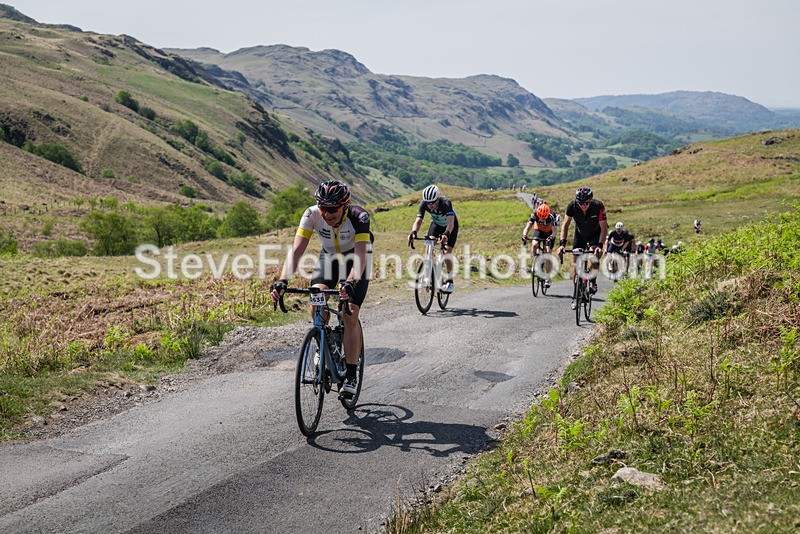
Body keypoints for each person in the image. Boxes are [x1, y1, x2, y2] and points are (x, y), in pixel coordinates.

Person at [270, 180, 371, 397]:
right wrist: (283, 280)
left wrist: (350, 282)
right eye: (323, 208)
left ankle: (351, 373)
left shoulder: (359, 217)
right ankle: (321, 342)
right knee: (317, 293)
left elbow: (361, 257)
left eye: (332, 209)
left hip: (356, 260)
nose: (327, 214)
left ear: (344, 205)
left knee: (349, 312)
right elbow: (296, 250)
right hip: (329, 258)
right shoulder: (311, 214)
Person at [556, 186, 608, 309]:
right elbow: (565, 225)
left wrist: (600, 246)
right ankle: (576, 295)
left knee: (594, 257)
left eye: (585, 203)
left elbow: (604, 228)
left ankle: (593, 280)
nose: (583, 205)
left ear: (591, 200)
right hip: (580, 235)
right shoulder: (572, 206)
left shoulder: (598, 206)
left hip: (595, 234)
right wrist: (562, 244)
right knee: (576, 264)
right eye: (580, 203)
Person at [407, 185, 458, 293]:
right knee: (428, 246)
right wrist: (413, 232)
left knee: (446, 252)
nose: (430, 205)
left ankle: (450, 280)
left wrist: (446, 235)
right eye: (427, 203)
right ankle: (427, 275)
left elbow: (450, 223)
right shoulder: (424, 204)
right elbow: (418, 220)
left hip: (450, 227)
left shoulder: (445, 203)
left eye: (432, 202)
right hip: (436, 225)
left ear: (438, 199)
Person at [522, 202, 557, 287]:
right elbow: (528, 227)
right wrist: (524, 235)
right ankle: (536, 260)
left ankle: (548, 277)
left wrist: (551, 237)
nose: (542, 219)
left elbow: (555, 231)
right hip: (539, 231)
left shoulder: (552, 216)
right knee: (534, 245)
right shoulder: (534, 215)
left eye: (544, 217)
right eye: (540, 217)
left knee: (548, 252)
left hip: (549, 233)